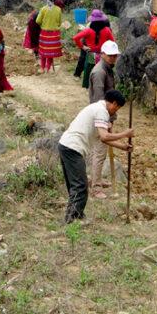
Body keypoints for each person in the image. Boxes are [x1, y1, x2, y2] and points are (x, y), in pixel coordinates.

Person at [58, 90, 133, 223]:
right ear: (114, 103)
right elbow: (105, 136)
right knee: (80, 186)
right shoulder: (102, 111)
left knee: (75, 186)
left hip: (66, 145)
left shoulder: (97, 107)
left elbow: (103, 139)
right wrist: (125, 134)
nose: (116, 112)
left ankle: (75, 215)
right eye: (117, 108)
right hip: (73, 147)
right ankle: (72, 220)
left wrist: (122, 146)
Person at [88, 40, 121, 198]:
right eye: (110, 56)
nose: (113, 58)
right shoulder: (99, 72)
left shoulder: (108, 69)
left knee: (100, 151)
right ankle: (95, 188)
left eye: (115, 56)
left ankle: (97, 180)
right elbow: (98, 99)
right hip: (101, 117)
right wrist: (105, 121)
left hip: (106, 116)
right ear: (102, 54)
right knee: (99, 152)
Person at [72, 10, 115, 88]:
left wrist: (83, 47)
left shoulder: (88, 30)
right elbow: (112, 42)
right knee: (102, 72)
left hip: (91, 55)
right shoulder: (107, 30)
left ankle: (90, 89)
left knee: (90, 71)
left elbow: (75, 38)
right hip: (103, 55)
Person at [36, 0, 63, 73]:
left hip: (45, 33)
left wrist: (44, 24)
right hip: (55, 34)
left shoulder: (43, 9)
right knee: (51, 52)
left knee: (43, 52)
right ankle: (48, 68)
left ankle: (42, 68)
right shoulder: (58, 9)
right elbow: (59, 22)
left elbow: (38, 21)